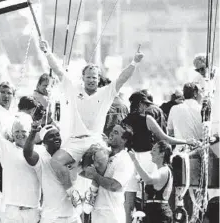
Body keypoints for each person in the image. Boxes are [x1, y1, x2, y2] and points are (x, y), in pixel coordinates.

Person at [39, 38, 144, 208]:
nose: (91, 80)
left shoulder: (105, 92)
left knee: (102, 158)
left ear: (98, 79)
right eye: (88, 77)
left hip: (94, 139)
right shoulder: (73, 88)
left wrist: (134, 62)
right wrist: (46, 51)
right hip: (74, 140)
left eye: (94, 78)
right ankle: (72, 193)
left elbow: (122, 78)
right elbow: (57, 70)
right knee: (55, 162)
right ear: (83, 78)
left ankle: (92, 193)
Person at [123, 90, 197, 223]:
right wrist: (186, 141)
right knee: (149, 196)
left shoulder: (125, 121)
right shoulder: (147, 119)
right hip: (147, 157)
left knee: (129, 201)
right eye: (145, 105)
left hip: (130, 158)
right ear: (140, 104)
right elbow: (165, 138)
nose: (146, 108)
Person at [0, 89, 41, 223]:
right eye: (16, 131)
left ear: (30, 131)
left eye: (23, 131)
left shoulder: (39, 151)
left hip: (33, 211)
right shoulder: (6, 148)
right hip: (11, 213)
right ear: (12, 133)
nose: (20, 134)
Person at [23, 124, 81, 223]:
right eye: (51, 136)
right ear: (44, 142)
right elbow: (27, 154)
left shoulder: (69, 154)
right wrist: (33, 132)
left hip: (73, 216)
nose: (56, 138)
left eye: (57, 135)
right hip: (52, 218)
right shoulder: (40, 157)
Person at [81, 124, 134, 223]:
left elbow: (114, 185)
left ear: (124, 140)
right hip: (97, 215)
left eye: (116, 132)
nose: (111, 134)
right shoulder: (105, 154)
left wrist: (95, 176)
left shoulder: (125, 160)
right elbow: (90, 173)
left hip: (112, 216)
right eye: (112, 131)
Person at [129, 140, 174, 223]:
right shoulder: (158, 170)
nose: (151, 153)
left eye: (154, 150)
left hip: (159, 214)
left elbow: (149, 180)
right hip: (151, 213)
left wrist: (135, 160)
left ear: (162, 154)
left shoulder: (164, 170)